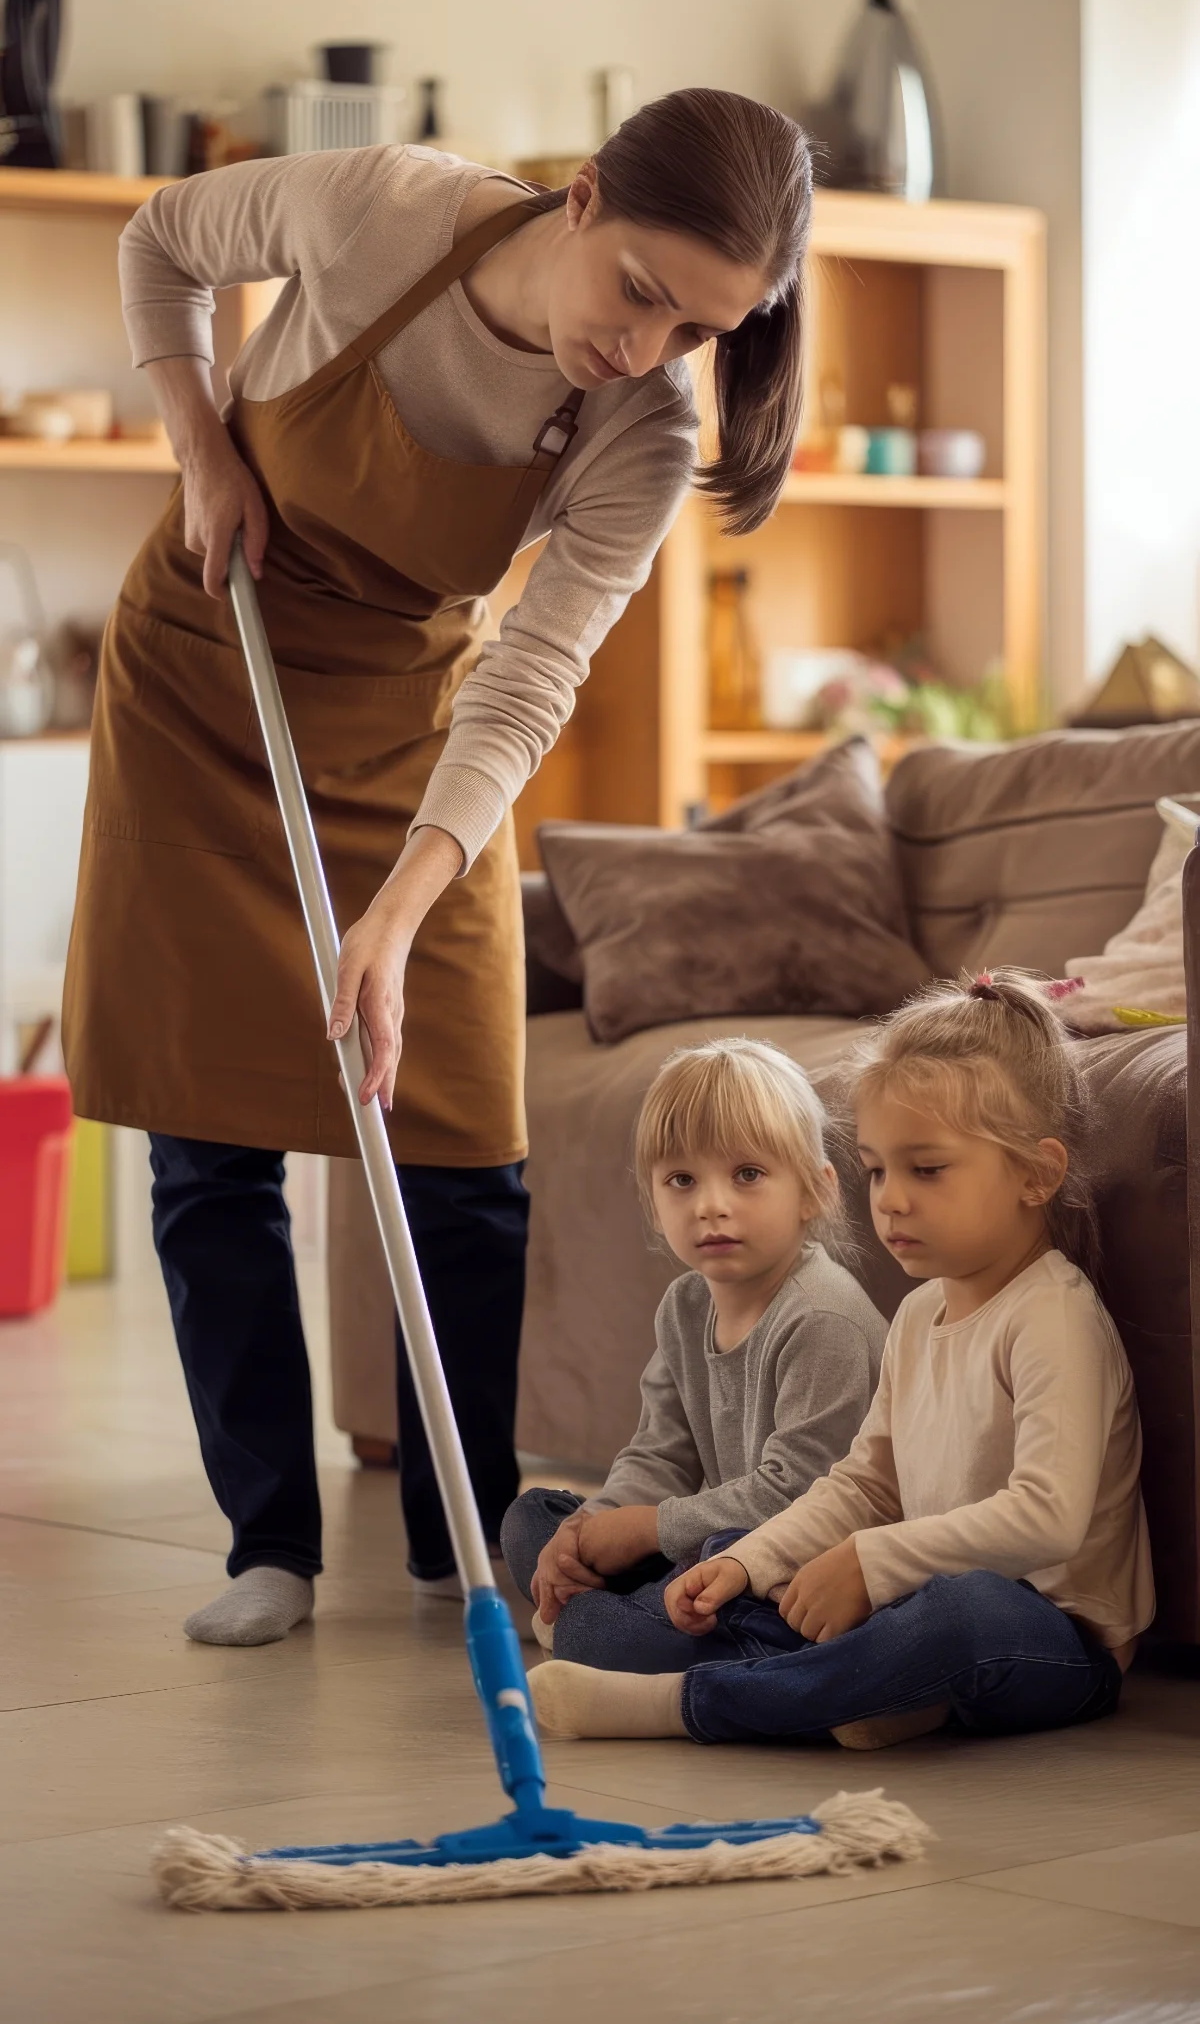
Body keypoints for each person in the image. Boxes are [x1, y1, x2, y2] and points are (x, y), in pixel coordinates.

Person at [60, 91, 815, 1645]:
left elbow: (534, 672)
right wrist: (201, 446)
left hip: (414, 722)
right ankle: (270, 1543)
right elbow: (161, 240)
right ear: (582, 197)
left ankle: (450, 1542)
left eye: (696, 331)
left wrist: (401, 910)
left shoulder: (645, 432)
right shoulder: (386, 210)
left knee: (466, 1150)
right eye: (640, 292)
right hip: (210, 667)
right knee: (211, 1143)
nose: (646, 349)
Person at [526, 971, 1155, 1746]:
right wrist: (749, 1563)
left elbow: (1048, 1519)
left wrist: (868, 1558)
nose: (889, 1198)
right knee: (657, 1596)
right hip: (906, 1600)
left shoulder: (1053, 1315)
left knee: (962, 1611)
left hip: (1048, 1636)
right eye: (878, 1168)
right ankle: (873, 1691)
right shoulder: (919, 1312)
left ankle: (687, 1702)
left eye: (926, 1168)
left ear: (1036, 1174)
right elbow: (864, 1483)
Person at [500, 1038, 887, 1665]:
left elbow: (803, 1498)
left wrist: (648, 1529)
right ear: (653, 1203)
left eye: (748, 1175)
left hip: (801, 1568)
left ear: (814, 1191)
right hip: (719, 1547)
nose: (710, 1206)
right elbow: (659, 1454)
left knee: (610, 1618)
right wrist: (592, 1528)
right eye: (681, 1180)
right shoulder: (685, 1307)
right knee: (532, 1519)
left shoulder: (822, 1318)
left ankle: (606, 1627)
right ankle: (611, 1617)